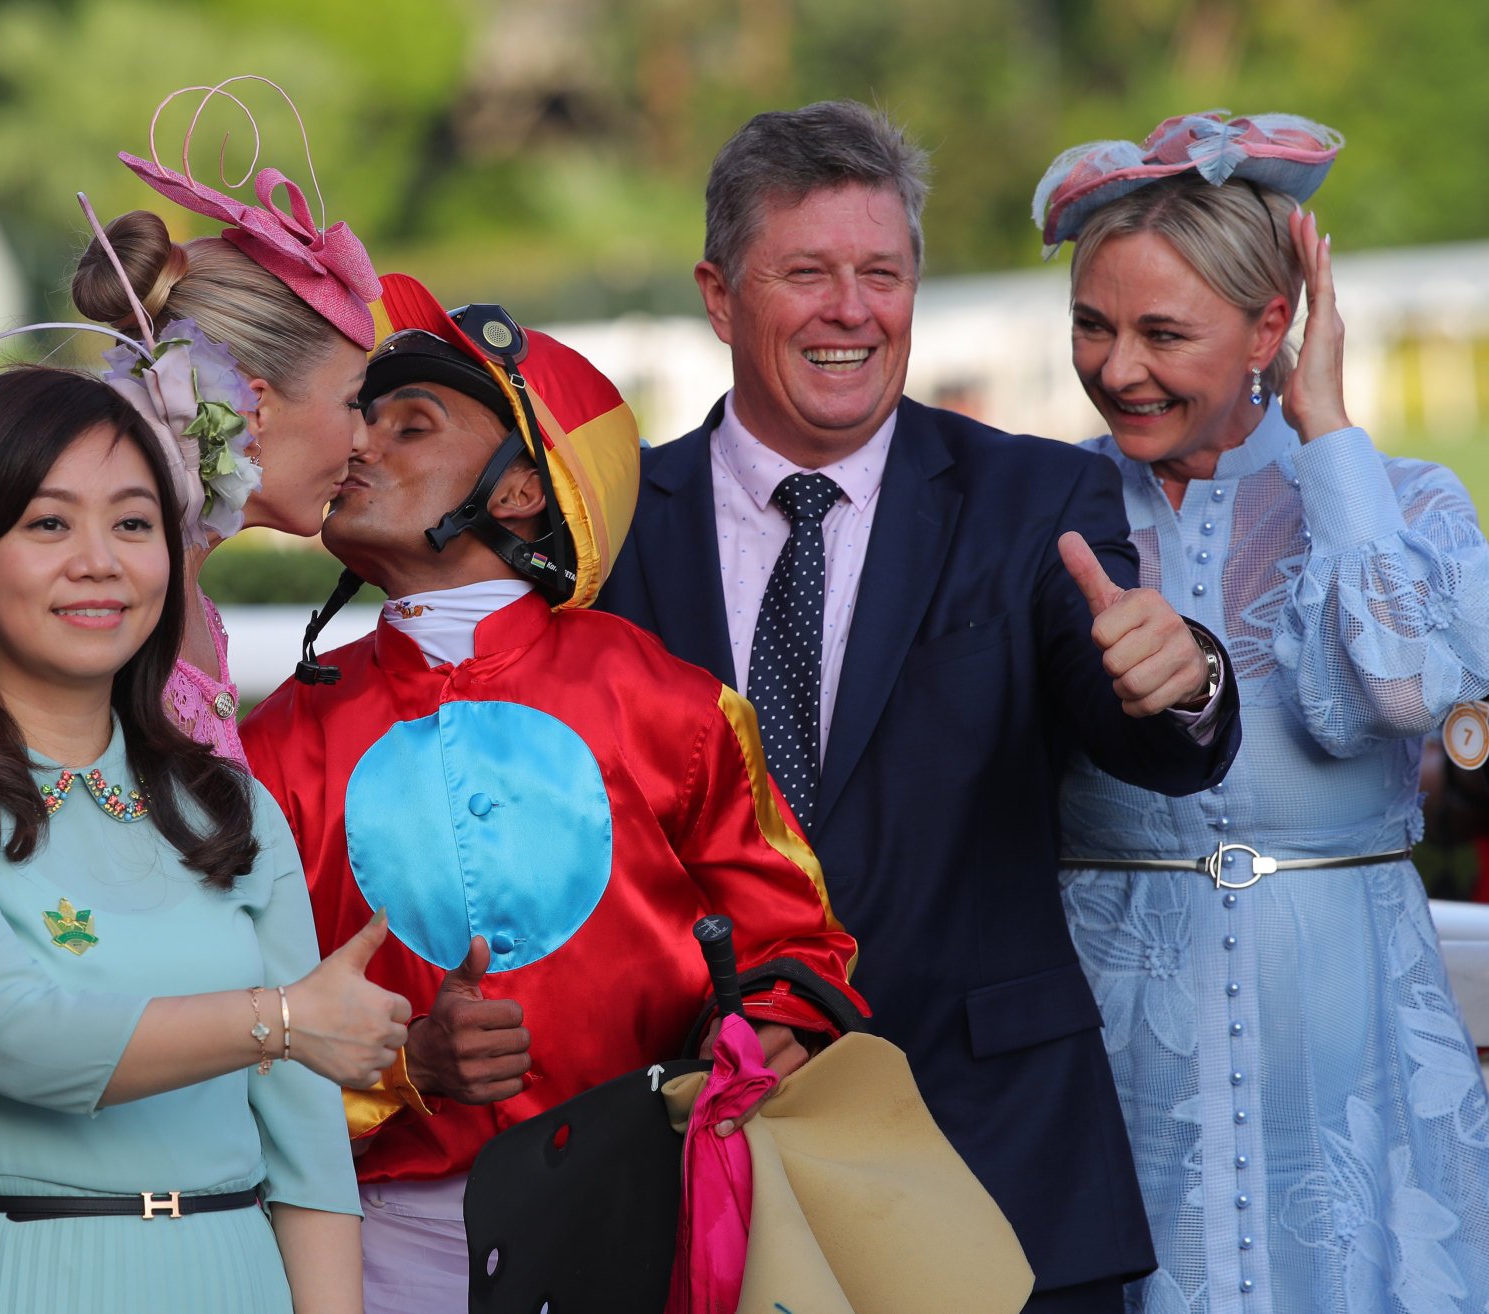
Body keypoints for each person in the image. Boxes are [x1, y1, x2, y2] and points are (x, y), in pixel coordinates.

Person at [594, 101, 1242, 1312]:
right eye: (807, 273)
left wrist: (1182, 679)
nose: (852, 310)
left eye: (881, 274)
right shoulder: (617, 530)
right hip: (696, 1170)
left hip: (998, 1165)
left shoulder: (1033, 495)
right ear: (719, 294)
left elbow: (1139, 732)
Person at [241, 272, 867, 1314]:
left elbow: (800, 951)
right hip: (376, 1245)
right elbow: (236, 1031)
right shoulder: (273, 744)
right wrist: (405, 1071)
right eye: (360, 417)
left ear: (521, 490)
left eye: (409, 423)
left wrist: (756, 1032)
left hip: (641, 1218)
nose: (358, 446)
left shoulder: (673, 707)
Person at [0, 366, 408, 1314]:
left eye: (133, 524)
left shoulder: (233, 811)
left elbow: (308, 1156)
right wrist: (283, 1019)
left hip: (239, 1278)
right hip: (20, 1279)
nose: (99, 560)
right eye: (47, 524)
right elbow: (23, 1043)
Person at [1036, 111, 1489, 1311]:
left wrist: (1325, 425)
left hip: (1349, 1045)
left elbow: (1398, 691)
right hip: (1124, 1049)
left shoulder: (1401, 502)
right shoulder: (1042, 507)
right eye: (1092, 325)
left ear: (1270, 328)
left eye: (1162, 332)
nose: (1117, 366)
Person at [68, 77, 377, 764]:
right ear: (255, 406)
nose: (364, 441)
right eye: (354, 401)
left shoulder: (182, 600)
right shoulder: (106, 598)